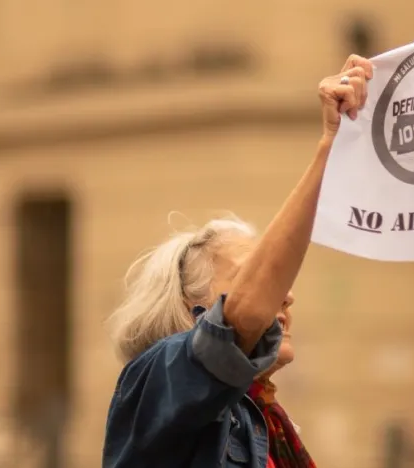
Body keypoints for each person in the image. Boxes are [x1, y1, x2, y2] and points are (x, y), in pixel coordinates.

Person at [102, 55, 374, 468]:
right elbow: (241, 318)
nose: (285, 295)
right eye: (250, 274)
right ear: (189, 311)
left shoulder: (266, 420)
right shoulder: (156, 379)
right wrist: (328, 149)